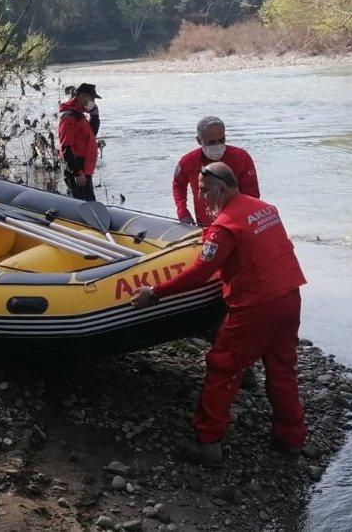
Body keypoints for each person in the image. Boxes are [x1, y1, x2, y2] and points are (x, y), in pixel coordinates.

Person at [132, 162, 307, 465]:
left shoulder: (225, 226)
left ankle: (208, 441)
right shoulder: (264, 208)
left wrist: (156, 292)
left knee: (223, 368)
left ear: (222, 189)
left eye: (203, 190)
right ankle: (291, 438)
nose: (200, 197)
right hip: (289, 296)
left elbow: (202, 271)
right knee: (282, 369)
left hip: (256, 306)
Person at [173, 116, 260, 226]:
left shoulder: (241, 157)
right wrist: (182, 211)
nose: (217, 145)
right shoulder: (188, 161)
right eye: (211, 142)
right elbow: (178, 184)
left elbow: (252, 195)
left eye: (221, 140)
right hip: (204, 225)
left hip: (238, 222)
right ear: (199, 141)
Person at [57, 83, 101, 201]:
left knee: (89, 201)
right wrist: (77, 173)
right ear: (82, 96)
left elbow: (91, 135)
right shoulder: (70, 117)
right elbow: (66, 147)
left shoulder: (79, 115)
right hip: (76, 166)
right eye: (91, 99)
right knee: (83, 203)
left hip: (84, 167)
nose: (93, 102)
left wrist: (95, 117)